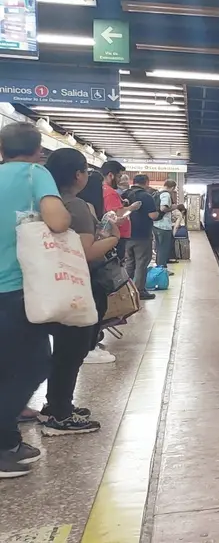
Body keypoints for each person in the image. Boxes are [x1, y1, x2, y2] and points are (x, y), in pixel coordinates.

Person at [0, 122, 72, 478]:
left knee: (4, 364)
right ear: (38, 151)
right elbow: (57, 221)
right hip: (14, 286)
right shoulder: (34, 173)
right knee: (34, 364)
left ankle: (9, 441)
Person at [40, 149, 120, 436]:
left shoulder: (44, 203)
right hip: (75, 287)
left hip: (47, 284)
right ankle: (61, 414)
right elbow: (85, 253)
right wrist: (113, 237)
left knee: (62, 349)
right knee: (72, 350)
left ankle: (55, 405)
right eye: (86, 170)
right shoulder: (77, 207)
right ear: (78, 175)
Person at [77, 171, 119, 363]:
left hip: (81, 266)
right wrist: (113, 235)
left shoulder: (74, 203)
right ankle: (87, 349)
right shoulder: (85, 207)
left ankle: (89, 345)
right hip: (91, 265)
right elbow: (94, 241)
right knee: (96, 304)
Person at [122, 175, 159, 301]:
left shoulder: (124, 194)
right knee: (141, 263)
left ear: (133, 182)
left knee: (129, 263)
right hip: (142, 235)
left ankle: (124, 289)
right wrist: (160, 212)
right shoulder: (146, 196)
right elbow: (153, 216)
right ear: (146, 183)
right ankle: (139, 291)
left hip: (126, 235)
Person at [153, 180, 180, 272]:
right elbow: (163, 208)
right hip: (163, 226)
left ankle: (158, 268)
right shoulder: (166, 194)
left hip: (156, 225)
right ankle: (162, 270)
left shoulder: (157, 193)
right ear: (172, 187)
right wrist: (175, 207)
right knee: (163, 248)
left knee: (159, 248)